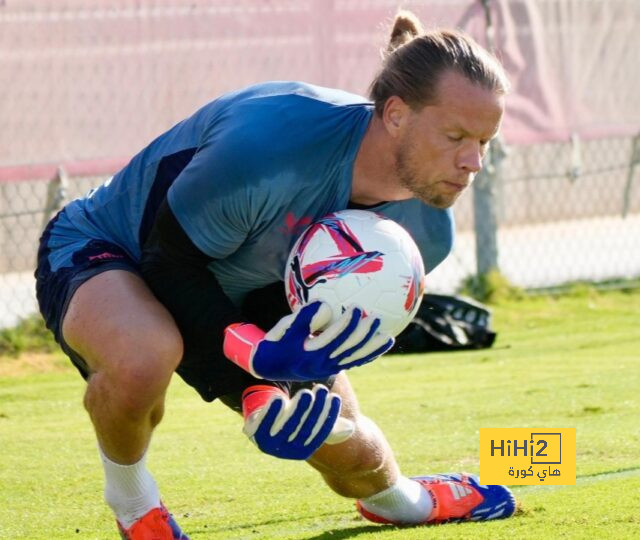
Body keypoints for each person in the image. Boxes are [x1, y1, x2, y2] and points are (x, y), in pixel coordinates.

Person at [35, 10, 515, 539]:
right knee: (146, 353)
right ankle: (134, 505)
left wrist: (275, 387)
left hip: (235, 290)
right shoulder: (270, 146)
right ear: (396, 114)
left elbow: (284, 306)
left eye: (485, 142)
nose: (474, 162)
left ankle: (409, 501)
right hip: (115, 248)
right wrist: (250, 378)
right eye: (455, 136)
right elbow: (168, 263)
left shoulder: (425, 236)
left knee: (348, 450)